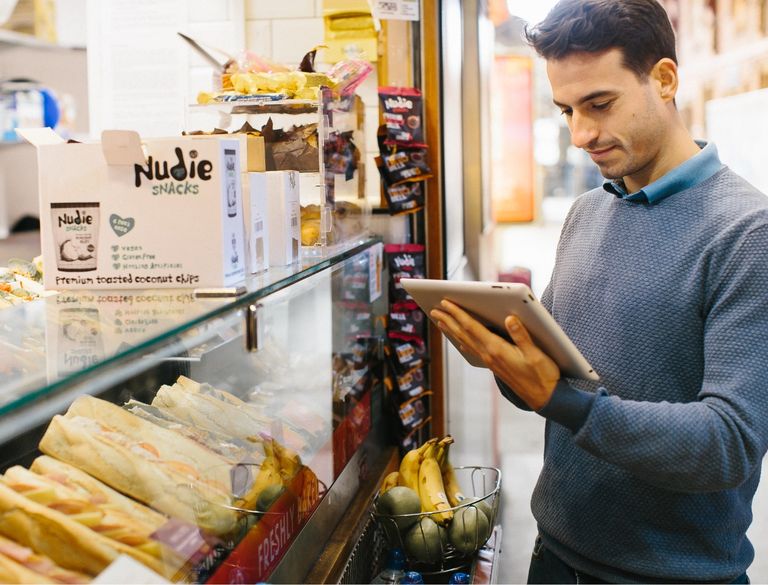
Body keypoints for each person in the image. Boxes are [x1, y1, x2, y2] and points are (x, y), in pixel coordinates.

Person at [430, 0, 768, 583]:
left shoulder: (746, 233)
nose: (581, 133)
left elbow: (729, 442)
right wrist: (502, 358)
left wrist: (567, 402)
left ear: (663, 79)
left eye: (599, 104)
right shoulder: (586, 214)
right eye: (565, 111)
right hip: (554, 556)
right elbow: (555, 387)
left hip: (673, 575)